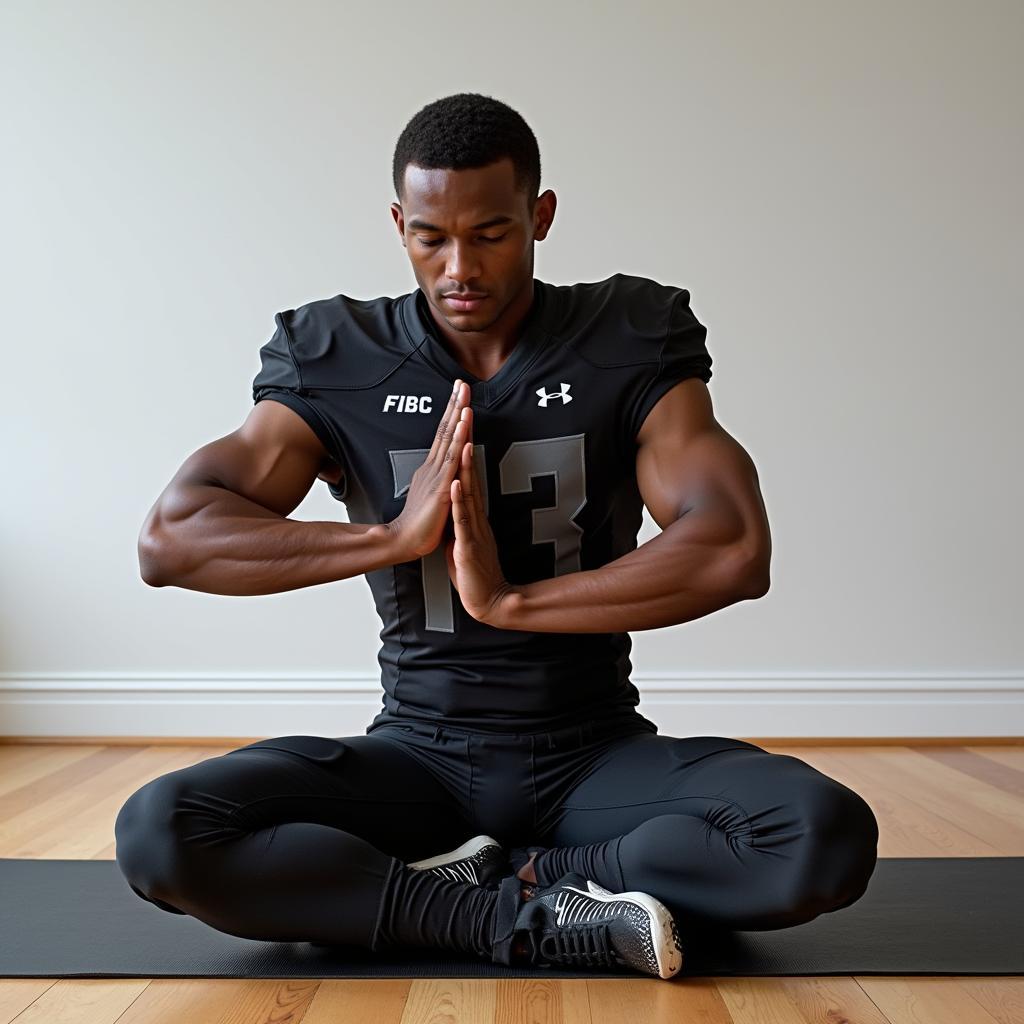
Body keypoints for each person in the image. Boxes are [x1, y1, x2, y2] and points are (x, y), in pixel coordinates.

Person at [115, 92, 879, 980]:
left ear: (540, 217)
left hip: (595, 758)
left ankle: (525, 878)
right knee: (162, 831)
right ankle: (514, 920)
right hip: (416, 757)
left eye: (490, 233)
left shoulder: (625, 334)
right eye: (430, 236)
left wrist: (513, 600)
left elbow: (732, 545)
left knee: (821, 834)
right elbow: (172, 539)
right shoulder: (339, 352)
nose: (458, 267)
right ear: (399, 223)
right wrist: (394, 537)